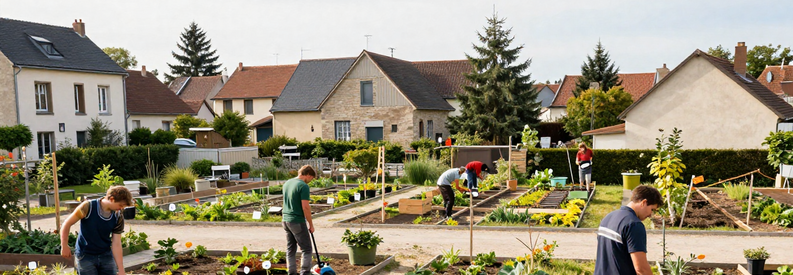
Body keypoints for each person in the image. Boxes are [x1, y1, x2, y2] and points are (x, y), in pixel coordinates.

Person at [60, 186, 133, 275]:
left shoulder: (118, 216)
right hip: (85, 256)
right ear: (112, 199)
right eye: (120, 205)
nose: (121, 208)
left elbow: (116, 243)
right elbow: (67, 224)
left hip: (106, 255)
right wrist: (64, 245)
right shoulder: (88, 207)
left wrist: (121, 270)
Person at [594, 185, 663, 275]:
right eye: (652, 209)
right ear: (644, 202)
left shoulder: (608, 217)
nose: (650, 215)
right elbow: (641, 269)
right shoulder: (634, 225)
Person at [282, 165, 316, 275]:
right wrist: (311, 224)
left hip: (285, 220)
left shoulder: (287, 183)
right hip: (296, 220)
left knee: (290, 249)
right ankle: (305, 273)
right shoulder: (303, 186)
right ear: (308, 175)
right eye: (311, 178)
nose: (310, 181)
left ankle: (291, 273)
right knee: (306, 249)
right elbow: (305, 207)